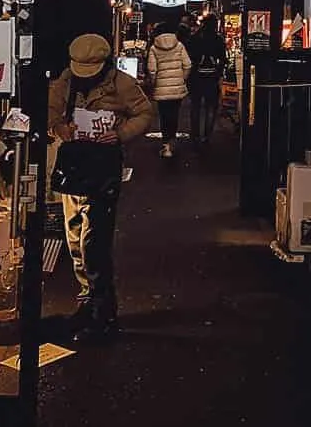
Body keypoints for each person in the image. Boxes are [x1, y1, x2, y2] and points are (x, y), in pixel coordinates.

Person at [48, 34, 152, 343]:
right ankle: (87, 301)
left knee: (95, 240)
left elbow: (144, 113)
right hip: (74, 165)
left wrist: (120, 134)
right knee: (73, 233)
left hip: (103, 167)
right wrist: (60, 126)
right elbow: (51, 108)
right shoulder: (65, 81)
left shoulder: (122, 83)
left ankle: (102, 311)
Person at [147, 25, 191, 159]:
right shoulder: (179, 45)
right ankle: (172, 141)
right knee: (174, 114)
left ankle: (166, 145)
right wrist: (182, 78)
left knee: (164, 116)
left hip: (161, 88)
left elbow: (152, 70)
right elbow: (188, 65)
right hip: (177, 87)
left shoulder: (154, 48)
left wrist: (154, 83)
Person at [188, 17, 227, 145]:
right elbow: (223, 60)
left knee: (196, 107)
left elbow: (189, 59)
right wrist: (218, 74)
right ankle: (206, 136)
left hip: (196, 78)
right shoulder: (218, 40)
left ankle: (195, 135)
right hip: (212, 78)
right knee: (210, 107)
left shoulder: (194, 38)